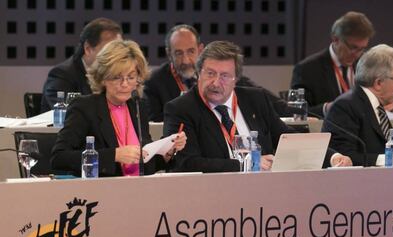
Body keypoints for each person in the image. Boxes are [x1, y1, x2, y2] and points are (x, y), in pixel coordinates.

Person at [164, 40, 351, 173]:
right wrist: (248, 165)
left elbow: (288, 140)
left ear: (236, 79)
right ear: (198, 73)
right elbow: (187, 163)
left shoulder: (255, 99)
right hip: (214, 196)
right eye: (210, 73)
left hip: (266, 194)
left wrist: (332, 157)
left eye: (224, 76)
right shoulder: (181, 109)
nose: (215, 82)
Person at [51, 40, 187, 177]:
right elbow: (59, 158)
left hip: (138, 190)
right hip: (103, 191)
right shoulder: (85, 107)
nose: (125, 84)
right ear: (103, 78)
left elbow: (144, 165)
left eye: (131, 77)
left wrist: (167, 152)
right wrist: (114, 155)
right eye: (117, 78)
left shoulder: (138, 107)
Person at [143, 24, 289, 122]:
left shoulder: (223, 74)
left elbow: (267, 99)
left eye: (191, 51)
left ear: (200, 49)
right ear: (169, 54)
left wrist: (298, 111)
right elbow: (156, 125)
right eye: (178, 53)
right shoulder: (154, 82)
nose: (186, 60)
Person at [322, 44, 393, 166]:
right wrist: (388, 159)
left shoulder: (374, 105)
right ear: (378, 83)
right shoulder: (345, 106)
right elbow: (344, 157)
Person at [291, 11, 375, 117]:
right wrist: (327, 108)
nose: (357, 54)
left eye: (362, 49)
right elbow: (297, 113)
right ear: (335, 39)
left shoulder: (365, 66)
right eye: (353, 48)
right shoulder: (307, 69)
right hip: (327, 131)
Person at [40, 18, 123, 112]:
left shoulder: (123, 76)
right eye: (110, 50)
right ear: (88, 49)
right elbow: (71, 115)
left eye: (120, 50)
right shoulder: (62, 75)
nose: (117, 56)